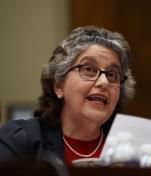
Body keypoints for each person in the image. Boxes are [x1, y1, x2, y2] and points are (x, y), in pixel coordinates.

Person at [0, 26, 135, 166]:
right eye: (88, 69)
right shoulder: (20, 140)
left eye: (112, 74)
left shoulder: (133, 151)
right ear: (59, 85)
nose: (104, 82)